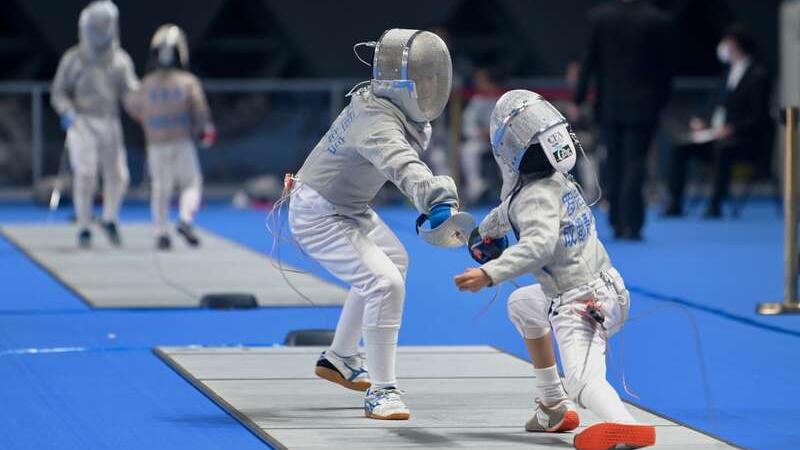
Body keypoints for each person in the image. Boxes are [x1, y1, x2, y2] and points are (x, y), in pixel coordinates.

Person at [455, 90, 656, 450]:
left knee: (582, 382)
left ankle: (626, 425)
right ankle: (553, 406)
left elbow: (539, 246)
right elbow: (510, 211)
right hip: (606, 287)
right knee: (521, 305)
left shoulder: (534, 197)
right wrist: (485, 232)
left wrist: (490, 273)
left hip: (581, 304)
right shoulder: (559, 181)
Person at [287, 29, 465, 420]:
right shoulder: (376, 121)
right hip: (319, 214)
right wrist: (436, 197)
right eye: (421, 80)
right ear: (399, 83)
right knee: (385, 283)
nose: (430, 87)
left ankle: (340, 357)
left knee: (394, 262)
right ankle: (382, 392)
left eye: (433, 78)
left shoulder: (380, 101)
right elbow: (402, 163)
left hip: (345, 206)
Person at [571, 0, 672, 240]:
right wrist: (661, 102)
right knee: (635, 163)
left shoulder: (600, 17)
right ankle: (632, 223)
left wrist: (578, 98)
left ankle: (616, 220)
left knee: (613, 162)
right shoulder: (657, 20)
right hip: (643, 106)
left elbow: (589, 61)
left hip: (610, 105)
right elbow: (665, 69)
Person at [51, 0, 139, 248]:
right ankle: (84, 226)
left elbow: (129, 91)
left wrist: (140, 103)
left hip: (110, 120)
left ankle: (109, 218)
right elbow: (59, 92)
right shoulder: (73, 59)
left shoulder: (120, 60)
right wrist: (67, 112)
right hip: (82, 122)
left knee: (119, 175)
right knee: (86, 174)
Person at [664, 24, 772, 218]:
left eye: (727, 42)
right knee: (679, 147)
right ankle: (675, 203)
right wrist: (704, 122)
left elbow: (758, 116)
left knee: (723, 149)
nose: (723, 46)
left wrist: (732, 128)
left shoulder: (758, 75)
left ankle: (715, 204)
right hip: (716, 135)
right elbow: (716, 106)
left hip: (744, 140)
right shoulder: (726, 73)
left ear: (736, 44)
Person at [126, 24, 216, 249]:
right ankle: (185, 219)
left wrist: (150, 122)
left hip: (156, 144)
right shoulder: (188, 81)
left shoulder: (145, 84)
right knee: (191, 184)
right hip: (181, 141)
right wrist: (205, 130)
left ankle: (161, 233)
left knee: (161, 188)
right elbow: (200, 111)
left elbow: (133, 107)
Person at [460, 67, 503, 204]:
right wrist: (480, 133)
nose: (478, 83)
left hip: (502, 141)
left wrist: (493, 133)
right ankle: (476, 187)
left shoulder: (502, 99)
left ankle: (511, 190)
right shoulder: (477, 99)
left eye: (481, 81)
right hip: (482, 142)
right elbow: (467, 125)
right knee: (468, 150)